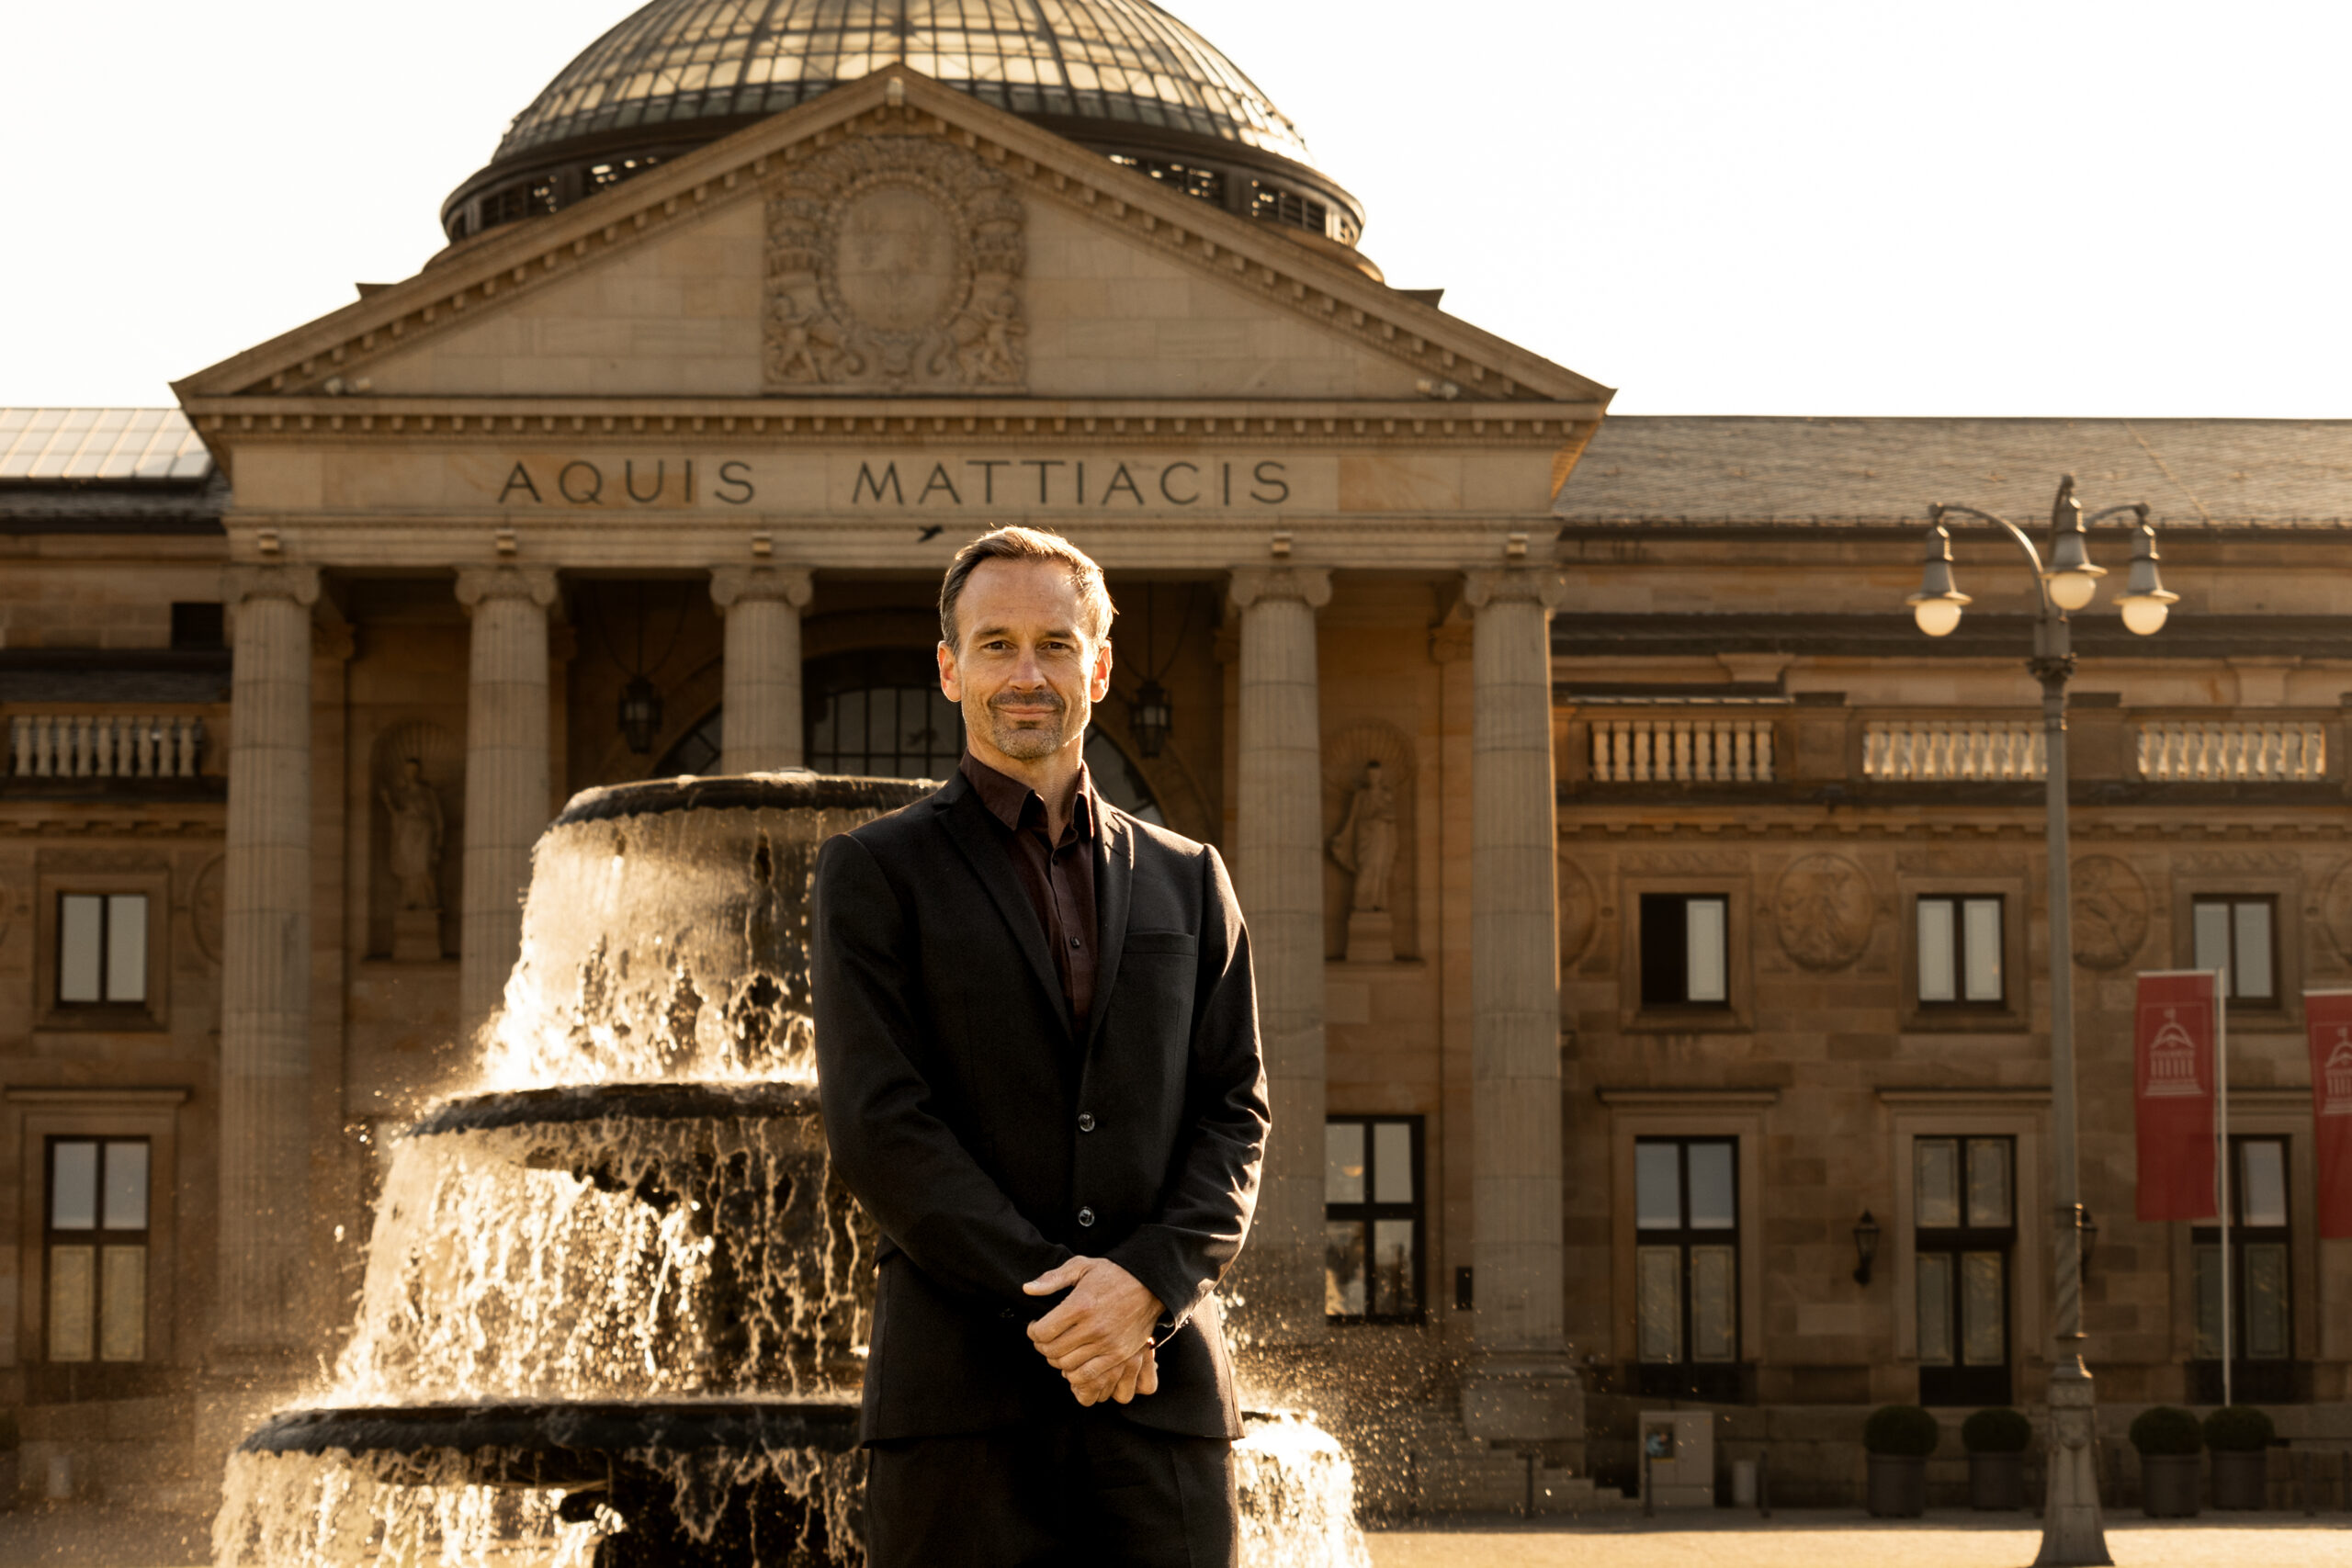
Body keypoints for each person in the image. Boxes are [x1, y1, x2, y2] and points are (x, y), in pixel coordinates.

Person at [813, 525, 1268, 1568]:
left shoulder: (1191, 877)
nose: (1028, 675)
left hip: (1161, 1403)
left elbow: (1235, 1112)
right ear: (949, 669)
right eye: (998, 645)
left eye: (1056, 645)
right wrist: (1075, 1309)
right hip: (960, 1416)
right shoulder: (873, 872)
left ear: (1098, 669)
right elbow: (881, 1128)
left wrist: (1145, 1289)